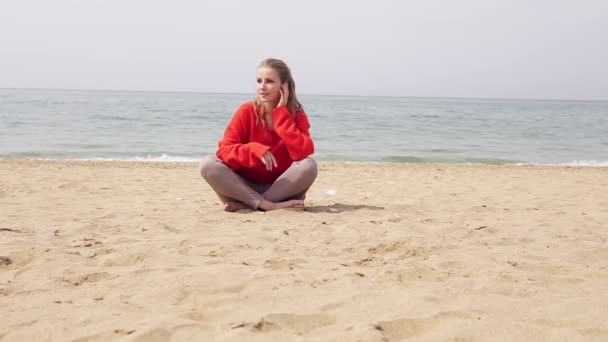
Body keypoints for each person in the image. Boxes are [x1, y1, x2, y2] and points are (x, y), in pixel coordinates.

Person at [199, 58, 318, 212]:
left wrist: (281, 115)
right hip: (244, 189)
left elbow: (303, 151)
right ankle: (265, 205)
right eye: (259, 81)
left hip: (282, 189)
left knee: (309, 165)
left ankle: (253, 205)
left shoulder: (297, 115)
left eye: (269, 81)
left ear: (284, 86)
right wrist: (254, 149)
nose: (262, 87)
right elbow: (224, 151)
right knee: (208, 164)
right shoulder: (246, 111)